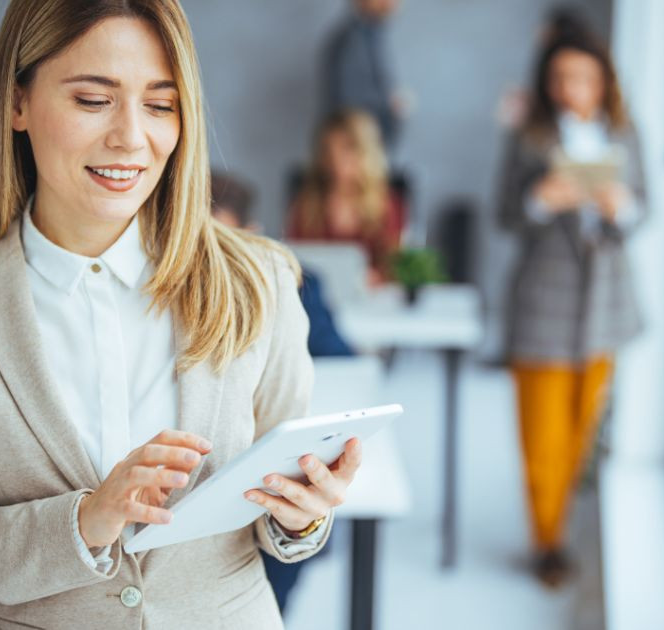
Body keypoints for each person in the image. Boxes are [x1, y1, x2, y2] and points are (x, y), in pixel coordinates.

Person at [0, 2, 365, 628]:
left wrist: (304, 514)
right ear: (17, 103)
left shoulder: (259, 278)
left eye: (160, 104)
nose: (132, 137)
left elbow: (279, 515)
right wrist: (83, 521)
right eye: (93, 100)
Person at [496, 12, 647, 588]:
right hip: (543, 301)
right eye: (560, 77)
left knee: (583, 428)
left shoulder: (627, 136)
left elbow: (644, 209)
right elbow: (506, 213)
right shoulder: (529, 136)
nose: (571, 90)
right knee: (543, 434)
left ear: (604, 81)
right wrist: (542, 198)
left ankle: (559, 522)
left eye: (584, 77)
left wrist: (618, 207)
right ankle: (548, 542)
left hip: (606, 302)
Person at [209, 171, 352, 614]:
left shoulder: (291, 280)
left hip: (277, 467)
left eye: (223, 236)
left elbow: (341, 361)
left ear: (250, 234)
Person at [286, 109, 405, 286]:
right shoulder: (306, 204)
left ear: (365, 151)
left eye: (347, 149)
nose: (336, 159)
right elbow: (294, 260)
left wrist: (376, 278)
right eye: (328, 150)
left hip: (370, 304)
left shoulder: (387, 205)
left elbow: (397, 266)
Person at [320, 0, 404, 149]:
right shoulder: (352, 40)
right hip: (356, 150)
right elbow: (348, 102)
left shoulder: (372, 35)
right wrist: (389, 104)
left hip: (368, 147)